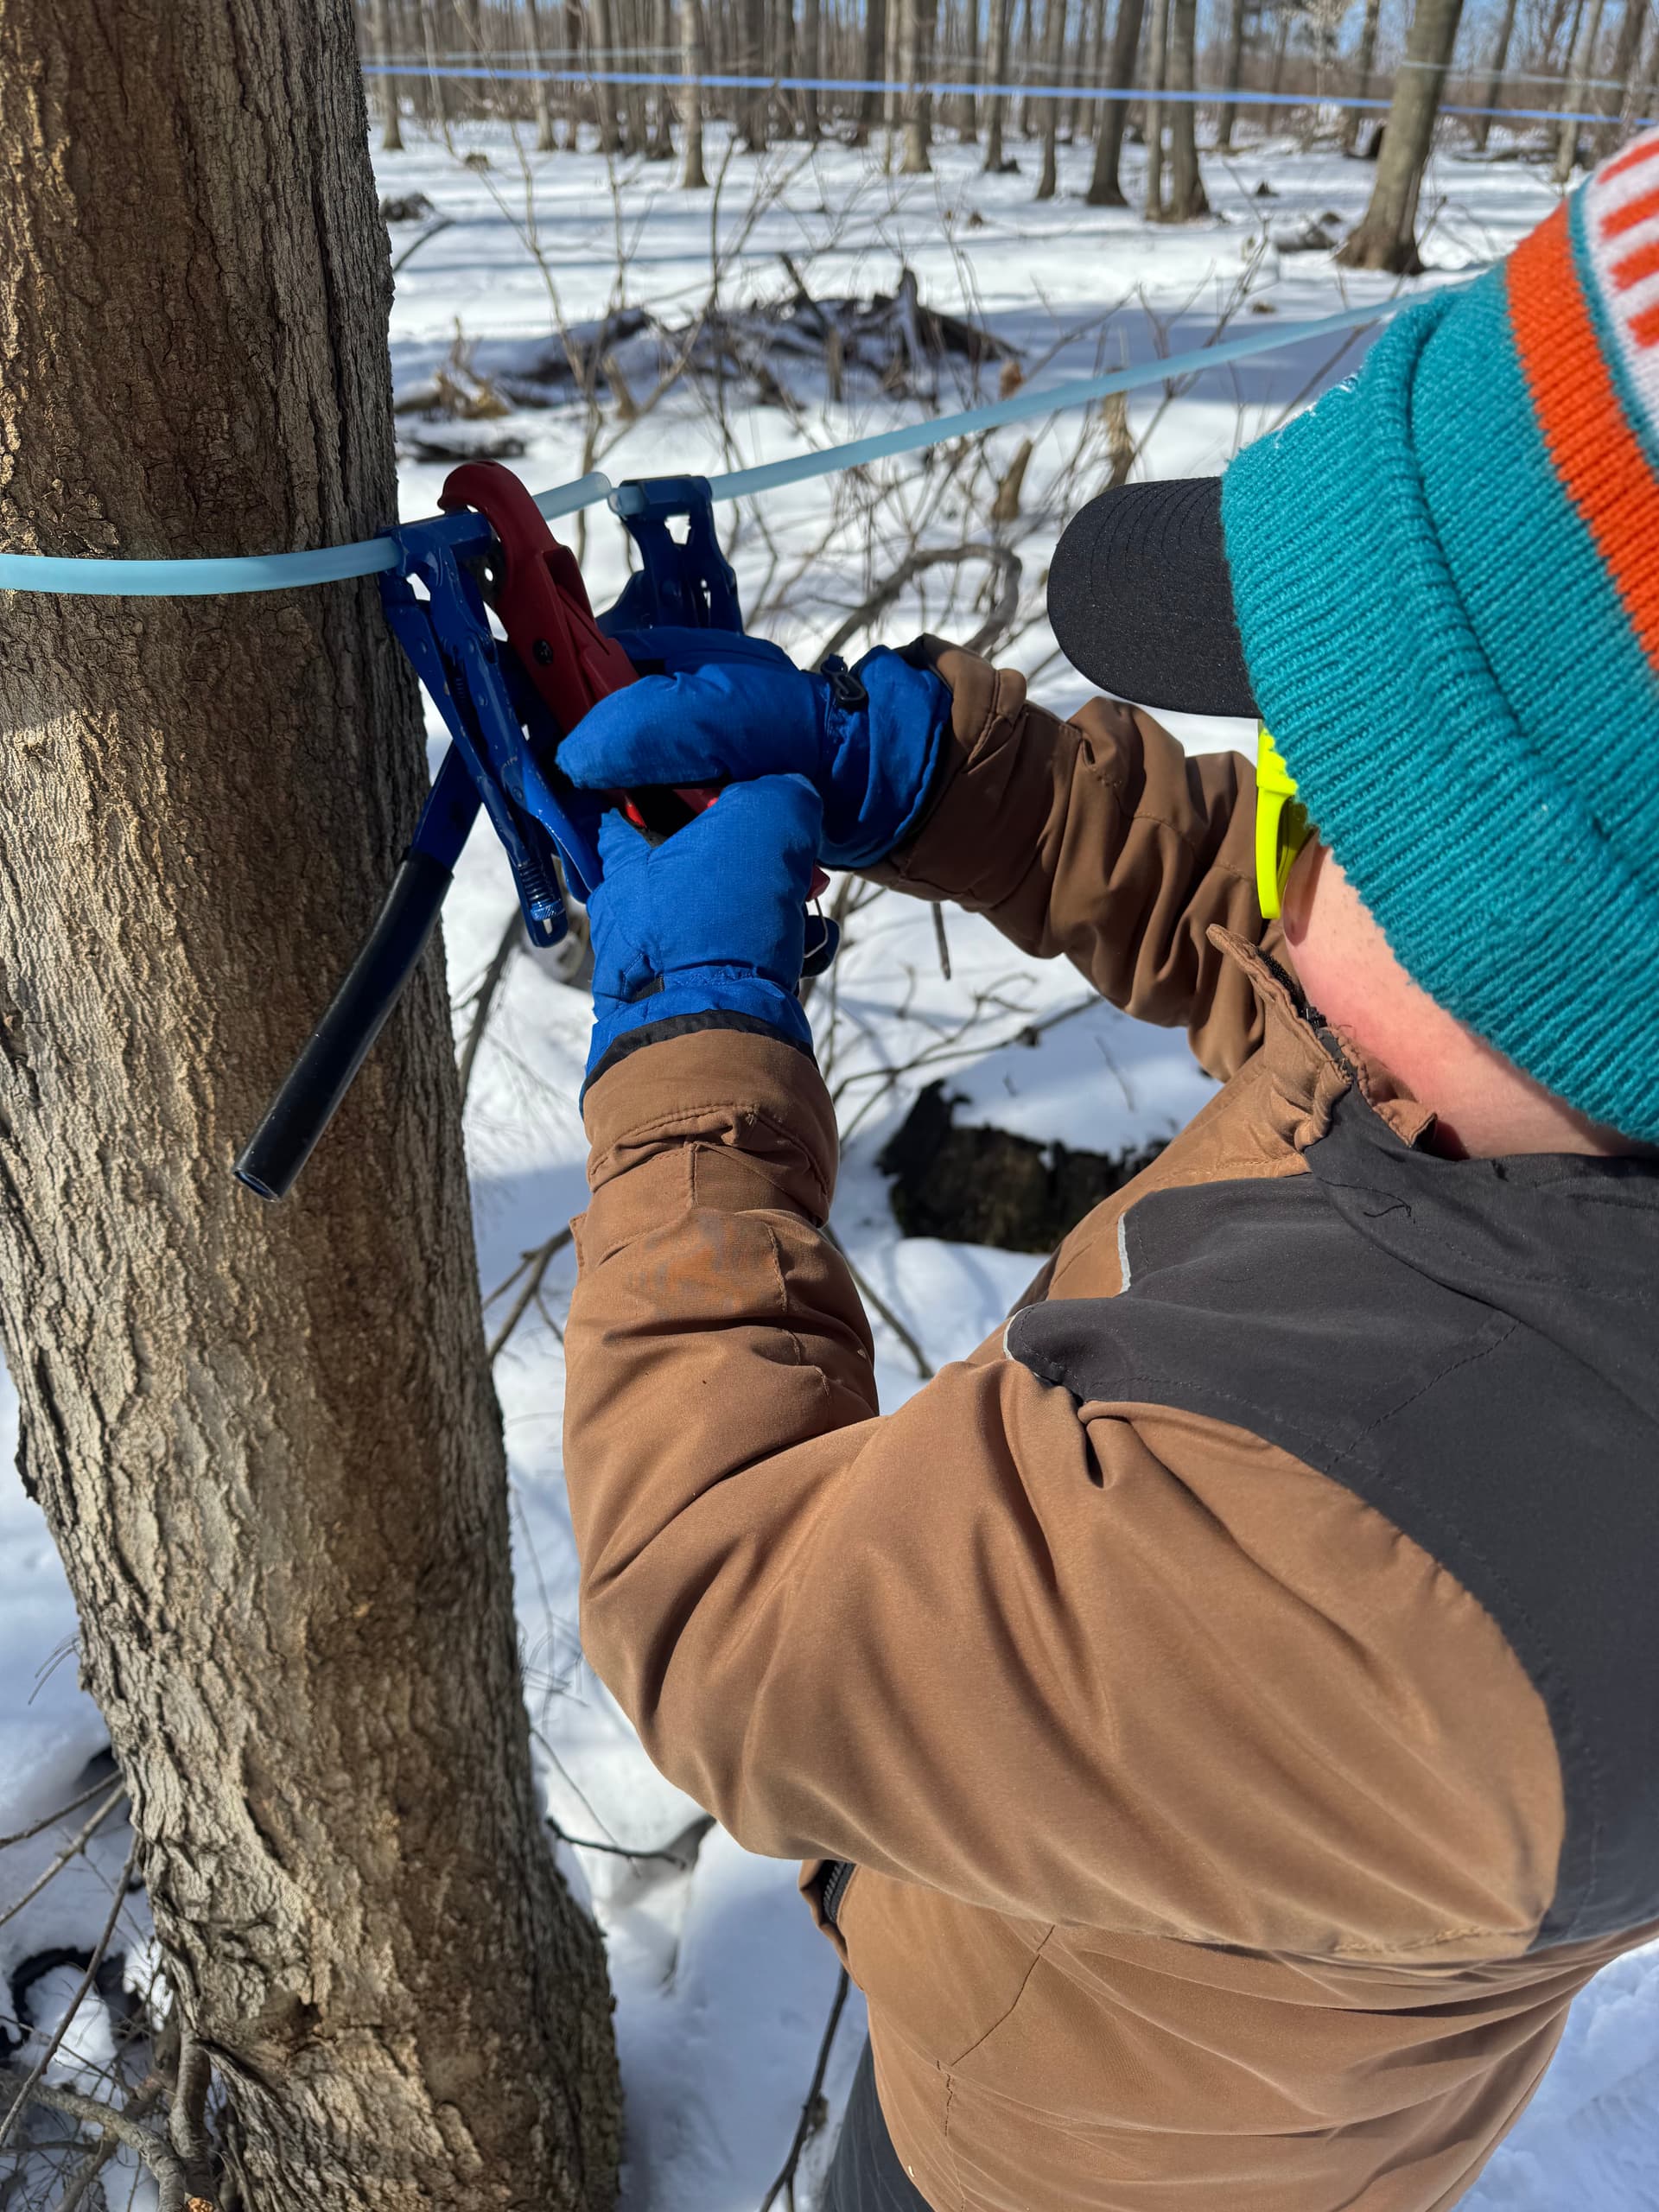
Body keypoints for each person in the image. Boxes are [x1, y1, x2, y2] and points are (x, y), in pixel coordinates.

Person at [553, 136, 1659, 2212]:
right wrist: (957, 779)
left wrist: (691, 1044)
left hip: (1068, 2158)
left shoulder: (1375, 1565)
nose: (1262, 806)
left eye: (1315, 781)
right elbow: (1312, 964)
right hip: (1189, 2025)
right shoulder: (1564, 1154)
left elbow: (726, 1611)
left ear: (1538, 949)